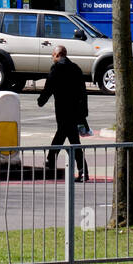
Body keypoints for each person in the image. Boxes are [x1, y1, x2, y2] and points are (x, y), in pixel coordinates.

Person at [37, 44, 89, 181]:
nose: (52, 58)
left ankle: (52, 161)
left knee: (67, 137)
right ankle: (81, 169)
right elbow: (83, 92)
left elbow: (49, 87)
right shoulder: (76, 68)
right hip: (75, 110)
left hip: (62, 109)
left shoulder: (56, 69)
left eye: (52, 56)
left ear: (57, 55)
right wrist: (84, 111)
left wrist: (41, 100)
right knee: (69, 138)